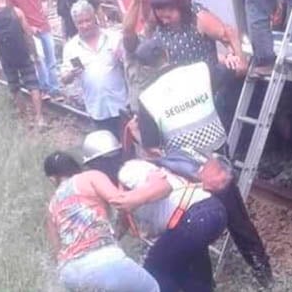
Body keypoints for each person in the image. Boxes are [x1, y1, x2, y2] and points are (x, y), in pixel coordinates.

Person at [132, 39, 275, 287]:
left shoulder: (147, 98)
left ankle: (205, 284)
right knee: (237, 220)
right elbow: (236, 70)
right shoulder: (199, 70)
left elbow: (152, 149)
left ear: (145, 68)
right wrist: (233, 57)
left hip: (185, 173)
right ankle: (264, 275)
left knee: (193, 224)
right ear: (167, 53)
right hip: (216, 163)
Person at [83, 131, 227, 292]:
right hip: (210, 213)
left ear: (100, 164)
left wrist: (134, 200)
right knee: (192, 275)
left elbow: (163, 187)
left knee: (155, 270)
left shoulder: (128, 170)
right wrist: (105, 245)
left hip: (195, 217)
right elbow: (123, 222)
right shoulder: (122, 182)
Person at [43, 151, 160, 292]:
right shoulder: (91, 177)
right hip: (103, 261)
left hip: (70, 273)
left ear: (52, 179)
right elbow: (120, 201)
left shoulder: (52, 205)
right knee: (152, 288)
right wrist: (154, 187)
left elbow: (57, 250)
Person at [146, 0, 246, 123]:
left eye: (169, 16)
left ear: (180, 8)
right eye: (161, 17)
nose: (165, 21)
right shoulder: (160, 26)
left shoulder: (198, 19)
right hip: (185, 95)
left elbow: (229, 35)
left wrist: (233, 56)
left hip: (210, 90)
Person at [60, 0, 128, 136]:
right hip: (97, 109)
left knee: (130, 147)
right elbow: (64, 79)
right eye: (80, 22)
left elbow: (132, 65)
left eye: (88, 20)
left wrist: (123, 59)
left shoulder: (114, 38)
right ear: (75, 24)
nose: (85, 25)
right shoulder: (71, 48)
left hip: (122, 105)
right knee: (108, 149)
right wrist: (71, 74)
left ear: (94, 18)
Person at [0, 0, 44, 126]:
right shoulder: (16, 12)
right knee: (33, 85)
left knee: (15, 88)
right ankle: (39, 118)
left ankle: (25, 119)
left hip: (6, 58)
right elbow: (28, 34)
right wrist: (34, 54)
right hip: (22, 54)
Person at [2, 0, 64, 101]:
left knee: (51, 60)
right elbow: (11, 13)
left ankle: (55, 90)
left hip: (44, 26)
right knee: (38, 60)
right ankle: (44, 89)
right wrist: (27, 27)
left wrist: (48, 6)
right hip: (29, 31)